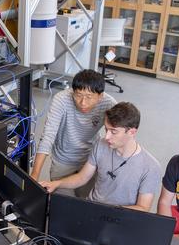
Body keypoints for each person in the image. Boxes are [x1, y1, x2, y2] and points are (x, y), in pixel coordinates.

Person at [41, 102, 161, 212]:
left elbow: (143, 207)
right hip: (92, 207)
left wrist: (107, 212)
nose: (107, 136)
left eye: (113, 132)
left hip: (119, 217)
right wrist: (56, 184)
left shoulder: (150, 167)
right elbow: (82, 177)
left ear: (132, 132)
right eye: (106, 130)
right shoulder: (101, 144)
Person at [31, 69, 116, 197]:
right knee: (62, 204)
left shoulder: (109, 104)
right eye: (78, 95)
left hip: (90, 161)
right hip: (63, 160)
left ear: (100, 96)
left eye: (89, 97)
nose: (83, 102)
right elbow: (48, 136)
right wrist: (34, 174)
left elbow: (117, 135)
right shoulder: (61, 99)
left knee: (84, 203)